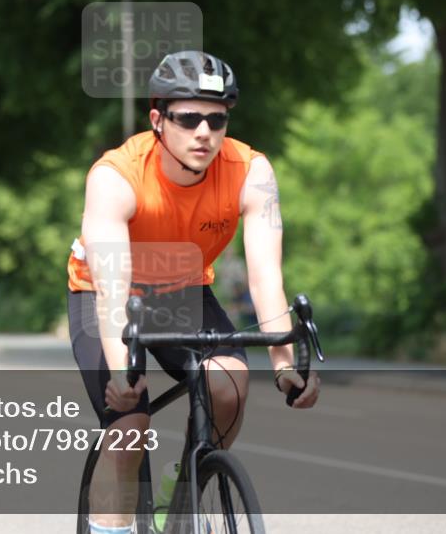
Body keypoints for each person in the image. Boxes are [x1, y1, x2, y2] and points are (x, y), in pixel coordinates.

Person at [66, 51, 320, 534]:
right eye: (188, 118)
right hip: (106, 293)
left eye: (217, 118)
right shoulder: (115, 176)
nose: (204, 131)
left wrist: (286, 364)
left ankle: (180, 490)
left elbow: (266, 277)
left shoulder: (252, 172)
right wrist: (122, 374)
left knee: (228, 383)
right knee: (128, 428)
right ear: (158, 120)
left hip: (184, 289)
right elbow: (112, 295)